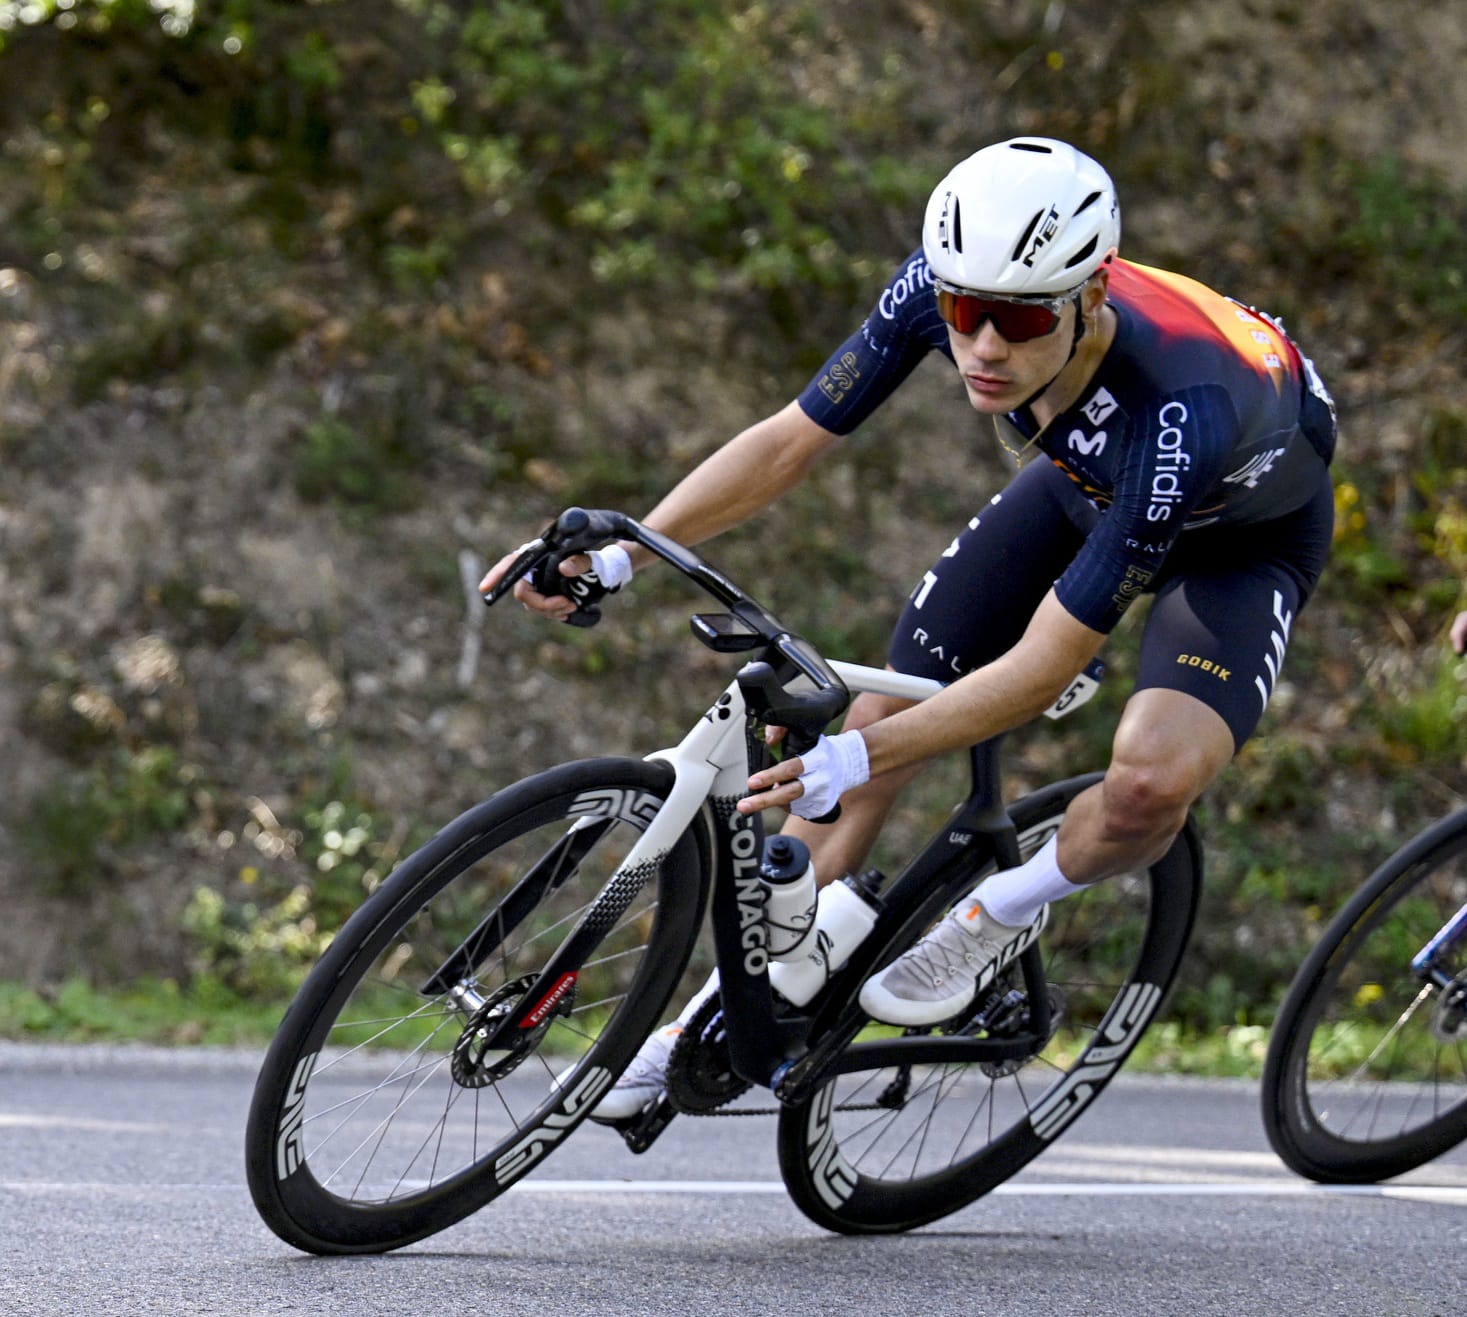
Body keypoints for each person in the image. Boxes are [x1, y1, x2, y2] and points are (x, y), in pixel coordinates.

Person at [482, 136, 1338, 1117]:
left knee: (1147, 783)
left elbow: (1044, 662)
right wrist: (624, 551)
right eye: (962, 312)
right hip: (1083, 489)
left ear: (1090, 296)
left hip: (1237, 538)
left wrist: (858, 756)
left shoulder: (1178, 406)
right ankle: (713, 1025)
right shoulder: (947, 289)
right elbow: (789, 441)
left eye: (1015, 320)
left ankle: (995, 911)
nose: (982, 347)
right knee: (872, 730)